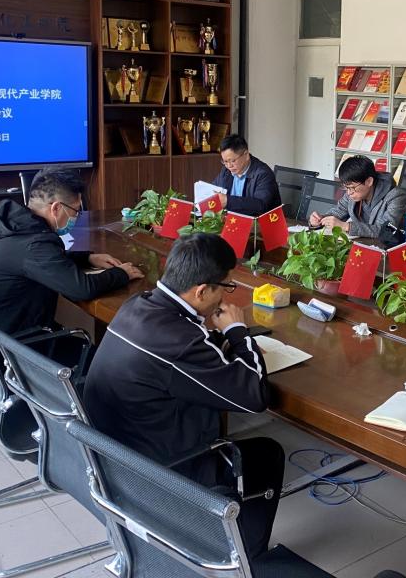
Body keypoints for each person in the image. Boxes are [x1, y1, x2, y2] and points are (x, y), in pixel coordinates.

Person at [82, 232, 281, 559]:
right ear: (202, 290)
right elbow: (254, 396)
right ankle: (241, 558)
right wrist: (237, 332)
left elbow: (184, 351)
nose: (225, 296)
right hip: (160, 473)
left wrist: (215, 342)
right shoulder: (180, 341)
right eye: (225, 287)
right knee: (266, 453)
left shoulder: (138, 304)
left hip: (115, 459)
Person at [0, 166, 142, 342]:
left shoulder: (11, 224)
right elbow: (81, 289)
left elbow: (40, 259)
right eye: (75, 211)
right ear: (56, 208)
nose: (76, 218)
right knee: (101, 361)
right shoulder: (34, 244)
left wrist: (87, 257)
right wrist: (122, 273)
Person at [309, 155, 406, 239]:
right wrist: (320, 219)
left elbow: (386, 231)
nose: (348, 193)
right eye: (346, 187)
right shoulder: (352, 193)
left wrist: (347, 226)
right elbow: (338, 212)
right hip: (362, 245)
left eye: (352, 188)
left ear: (369, 181)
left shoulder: (396, 196)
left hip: (389, 249)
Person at [211, 134, 281, 217]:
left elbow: (261, 205)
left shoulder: (263, 174)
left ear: (246, 155)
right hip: (232, 220)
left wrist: (228, 201)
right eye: (225, 161)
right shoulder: (226, 171)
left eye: (233, 161)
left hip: (259, 222)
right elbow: (214, 190)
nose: (229, 166)